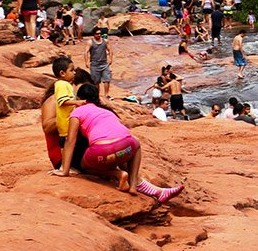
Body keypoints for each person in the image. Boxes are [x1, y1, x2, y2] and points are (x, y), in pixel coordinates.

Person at [52, 82, 183, 204]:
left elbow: (70, 141)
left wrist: (65, 170)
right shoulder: (107, 111)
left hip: (102, 151)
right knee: (136, 144)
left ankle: (118, 175)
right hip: (127, 146)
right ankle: (133, 185)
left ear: (80, 99)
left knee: (85, 166)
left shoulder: (77, 112)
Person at [87, 27, 114, 101]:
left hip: (104, 64)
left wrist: (110, 58)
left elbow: (110, 50)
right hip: (94, 64)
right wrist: (86, 62)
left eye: (100, 34)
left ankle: (107, 95)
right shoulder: (90, 42)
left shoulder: (105, 41)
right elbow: (86, 52)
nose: (99, 35)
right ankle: (97, 96)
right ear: (94, 35)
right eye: (97, 34)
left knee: (107, 79)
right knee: (96, 81)